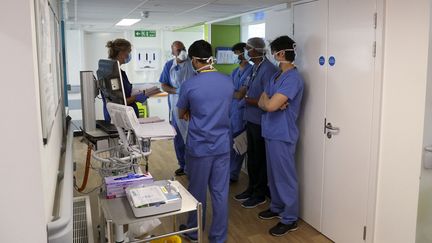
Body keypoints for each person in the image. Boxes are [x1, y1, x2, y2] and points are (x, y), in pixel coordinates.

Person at [177, 40, 234, 243]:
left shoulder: (190, 84)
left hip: (200, 147)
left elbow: (181, 112)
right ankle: (219, 237)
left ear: (194, 60)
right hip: (222, 146)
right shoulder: (227, 81)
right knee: (220, 192)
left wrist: (193, 113)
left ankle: (193, 231)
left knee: (197, 191)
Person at [257, 35, 304, 236]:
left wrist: (270, 104)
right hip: (270, 130)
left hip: (283, 134)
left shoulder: (293, 78)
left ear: (282, 53)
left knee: (285, 177)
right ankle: (277, 207)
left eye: (274, 51)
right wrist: (270, 104)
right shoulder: (275, 76)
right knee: (273, 175)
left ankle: (290, 218)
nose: (273, 55)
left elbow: (270, 104)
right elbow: (263, 101)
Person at [233, 37, 278, 208]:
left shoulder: (268, 69)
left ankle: (259, 194)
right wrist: (244, 97)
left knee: (259, 159)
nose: (246, 51)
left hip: (261, 121)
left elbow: (267, 97)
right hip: (250, 119)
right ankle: (251, 188)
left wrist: (248, 100)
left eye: (248, 48)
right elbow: (246, 89)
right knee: (251, 158)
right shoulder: (255, 68)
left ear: (256, 50)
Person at [159, 41, 195, 176]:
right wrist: (177, 90)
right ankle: (183, 164)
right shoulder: (169, 65)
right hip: (175, 107)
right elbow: (163, 85)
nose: (182, 52)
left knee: (191, 137)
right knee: (179, 138)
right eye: (178, 50)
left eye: (183, 48)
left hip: (192, 107)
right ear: (173, 51)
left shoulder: (193, 63)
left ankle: (193, 166)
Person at [101, 38, 158, 122]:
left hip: (126, 116)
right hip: (120, 119)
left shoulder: (119, 72)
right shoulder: (112, 75)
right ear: (121, 53)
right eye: (129, 52)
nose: (129, 55)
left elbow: (124, 92)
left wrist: (140, 92)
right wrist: (136, 97)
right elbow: (118, 103)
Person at [229, 42, 252, 183]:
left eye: (238, 53)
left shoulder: (251, 71)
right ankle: (229, 172)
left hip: (242, 113)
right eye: (235, 53)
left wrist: (233, 92)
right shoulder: (235, 72)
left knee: (239, 145)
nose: (236, 56)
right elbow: (232, 92)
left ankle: (233, 174)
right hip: (232, 112)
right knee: (229, 145)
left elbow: (239, 95)